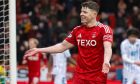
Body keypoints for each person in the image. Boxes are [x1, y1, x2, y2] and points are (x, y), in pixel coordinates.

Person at [25, 1, 113, 84]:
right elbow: (61, 46)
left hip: (97, 77)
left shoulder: (104, 29)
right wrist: (38, 50)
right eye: (81, 11)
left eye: (85, 12)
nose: (81, 14)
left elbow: (107, 47)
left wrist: (106, 61)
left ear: (94, 14)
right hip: (79, 76)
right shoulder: (77, 30)